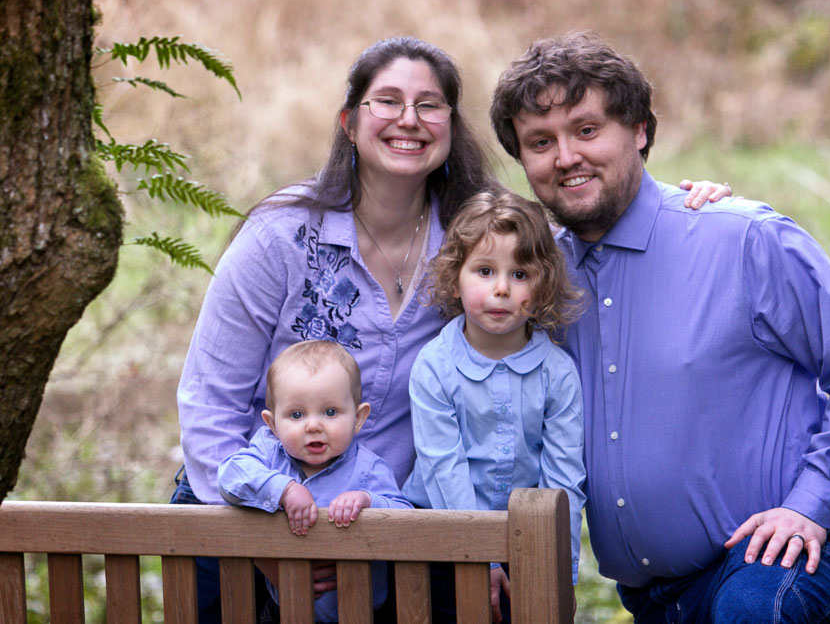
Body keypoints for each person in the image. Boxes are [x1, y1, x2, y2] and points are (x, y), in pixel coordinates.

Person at [170, 35, 730, 622]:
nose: (408, 120)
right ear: (348, 121)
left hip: (379, 530)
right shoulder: (281, 236)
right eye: (386, 101)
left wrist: (680, 207)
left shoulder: (473, 244)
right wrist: (259, 539)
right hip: (246, 513)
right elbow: (209, 405)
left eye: (429, 104)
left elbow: (560, 248)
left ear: (450, 125)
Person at [489, 32, 830, 623]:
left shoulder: (742, 240)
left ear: (638, 130)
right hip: (653, 599)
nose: (565, 157)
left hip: (778, 567)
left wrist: (811, 506)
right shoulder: (538, 284)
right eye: (540, 142)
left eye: (586, 130)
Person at [402, 190, 586, 623]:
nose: (501, 288)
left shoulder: (557, 372)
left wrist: (564, 572)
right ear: (454, 279)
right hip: (440, 541)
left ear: (544, 285)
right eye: (484, 271)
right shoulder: (435, 367)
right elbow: (442, 467)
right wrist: (476, 560)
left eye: (520, 274)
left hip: (526, 546)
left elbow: (565, 478)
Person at [218, 340, 411, 622]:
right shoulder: (269, 454)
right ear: (272, 425)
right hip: (283, 611)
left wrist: (368, 501)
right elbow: (229, 474)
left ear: (358, 418)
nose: (313, 425)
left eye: (330, 412)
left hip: (362, 612)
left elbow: (407, 519)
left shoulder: (369, 469)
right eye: (296, 415)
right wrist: (284, 488)